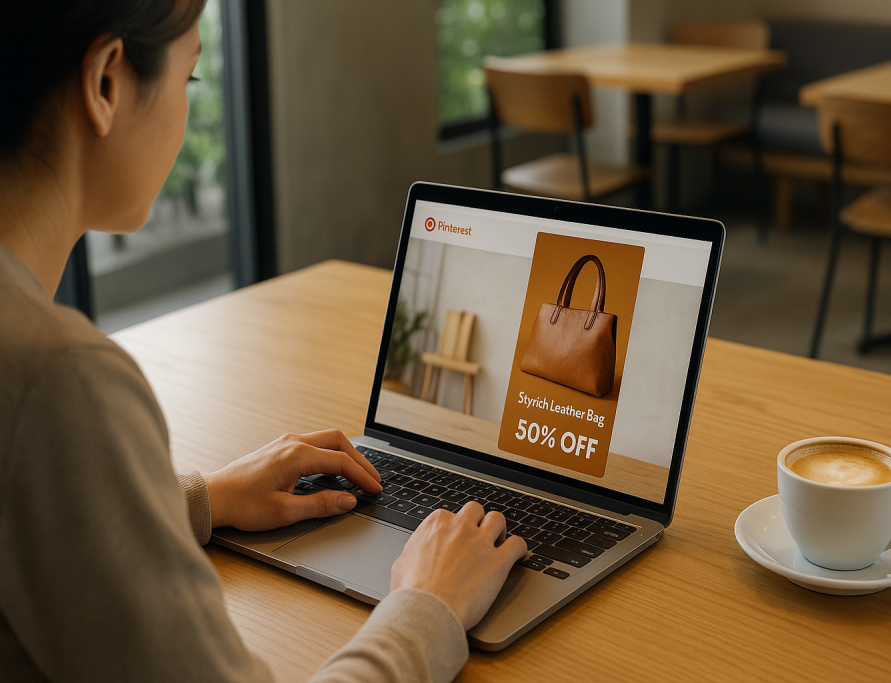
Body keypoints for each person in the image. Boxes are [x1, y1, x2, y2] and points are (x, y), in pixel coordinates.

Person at [0, 1, 527, 681]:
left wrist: (204, 497)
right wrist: (429, 602)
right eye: (190, 79)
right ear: (106, 84)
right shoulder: (56, 378)